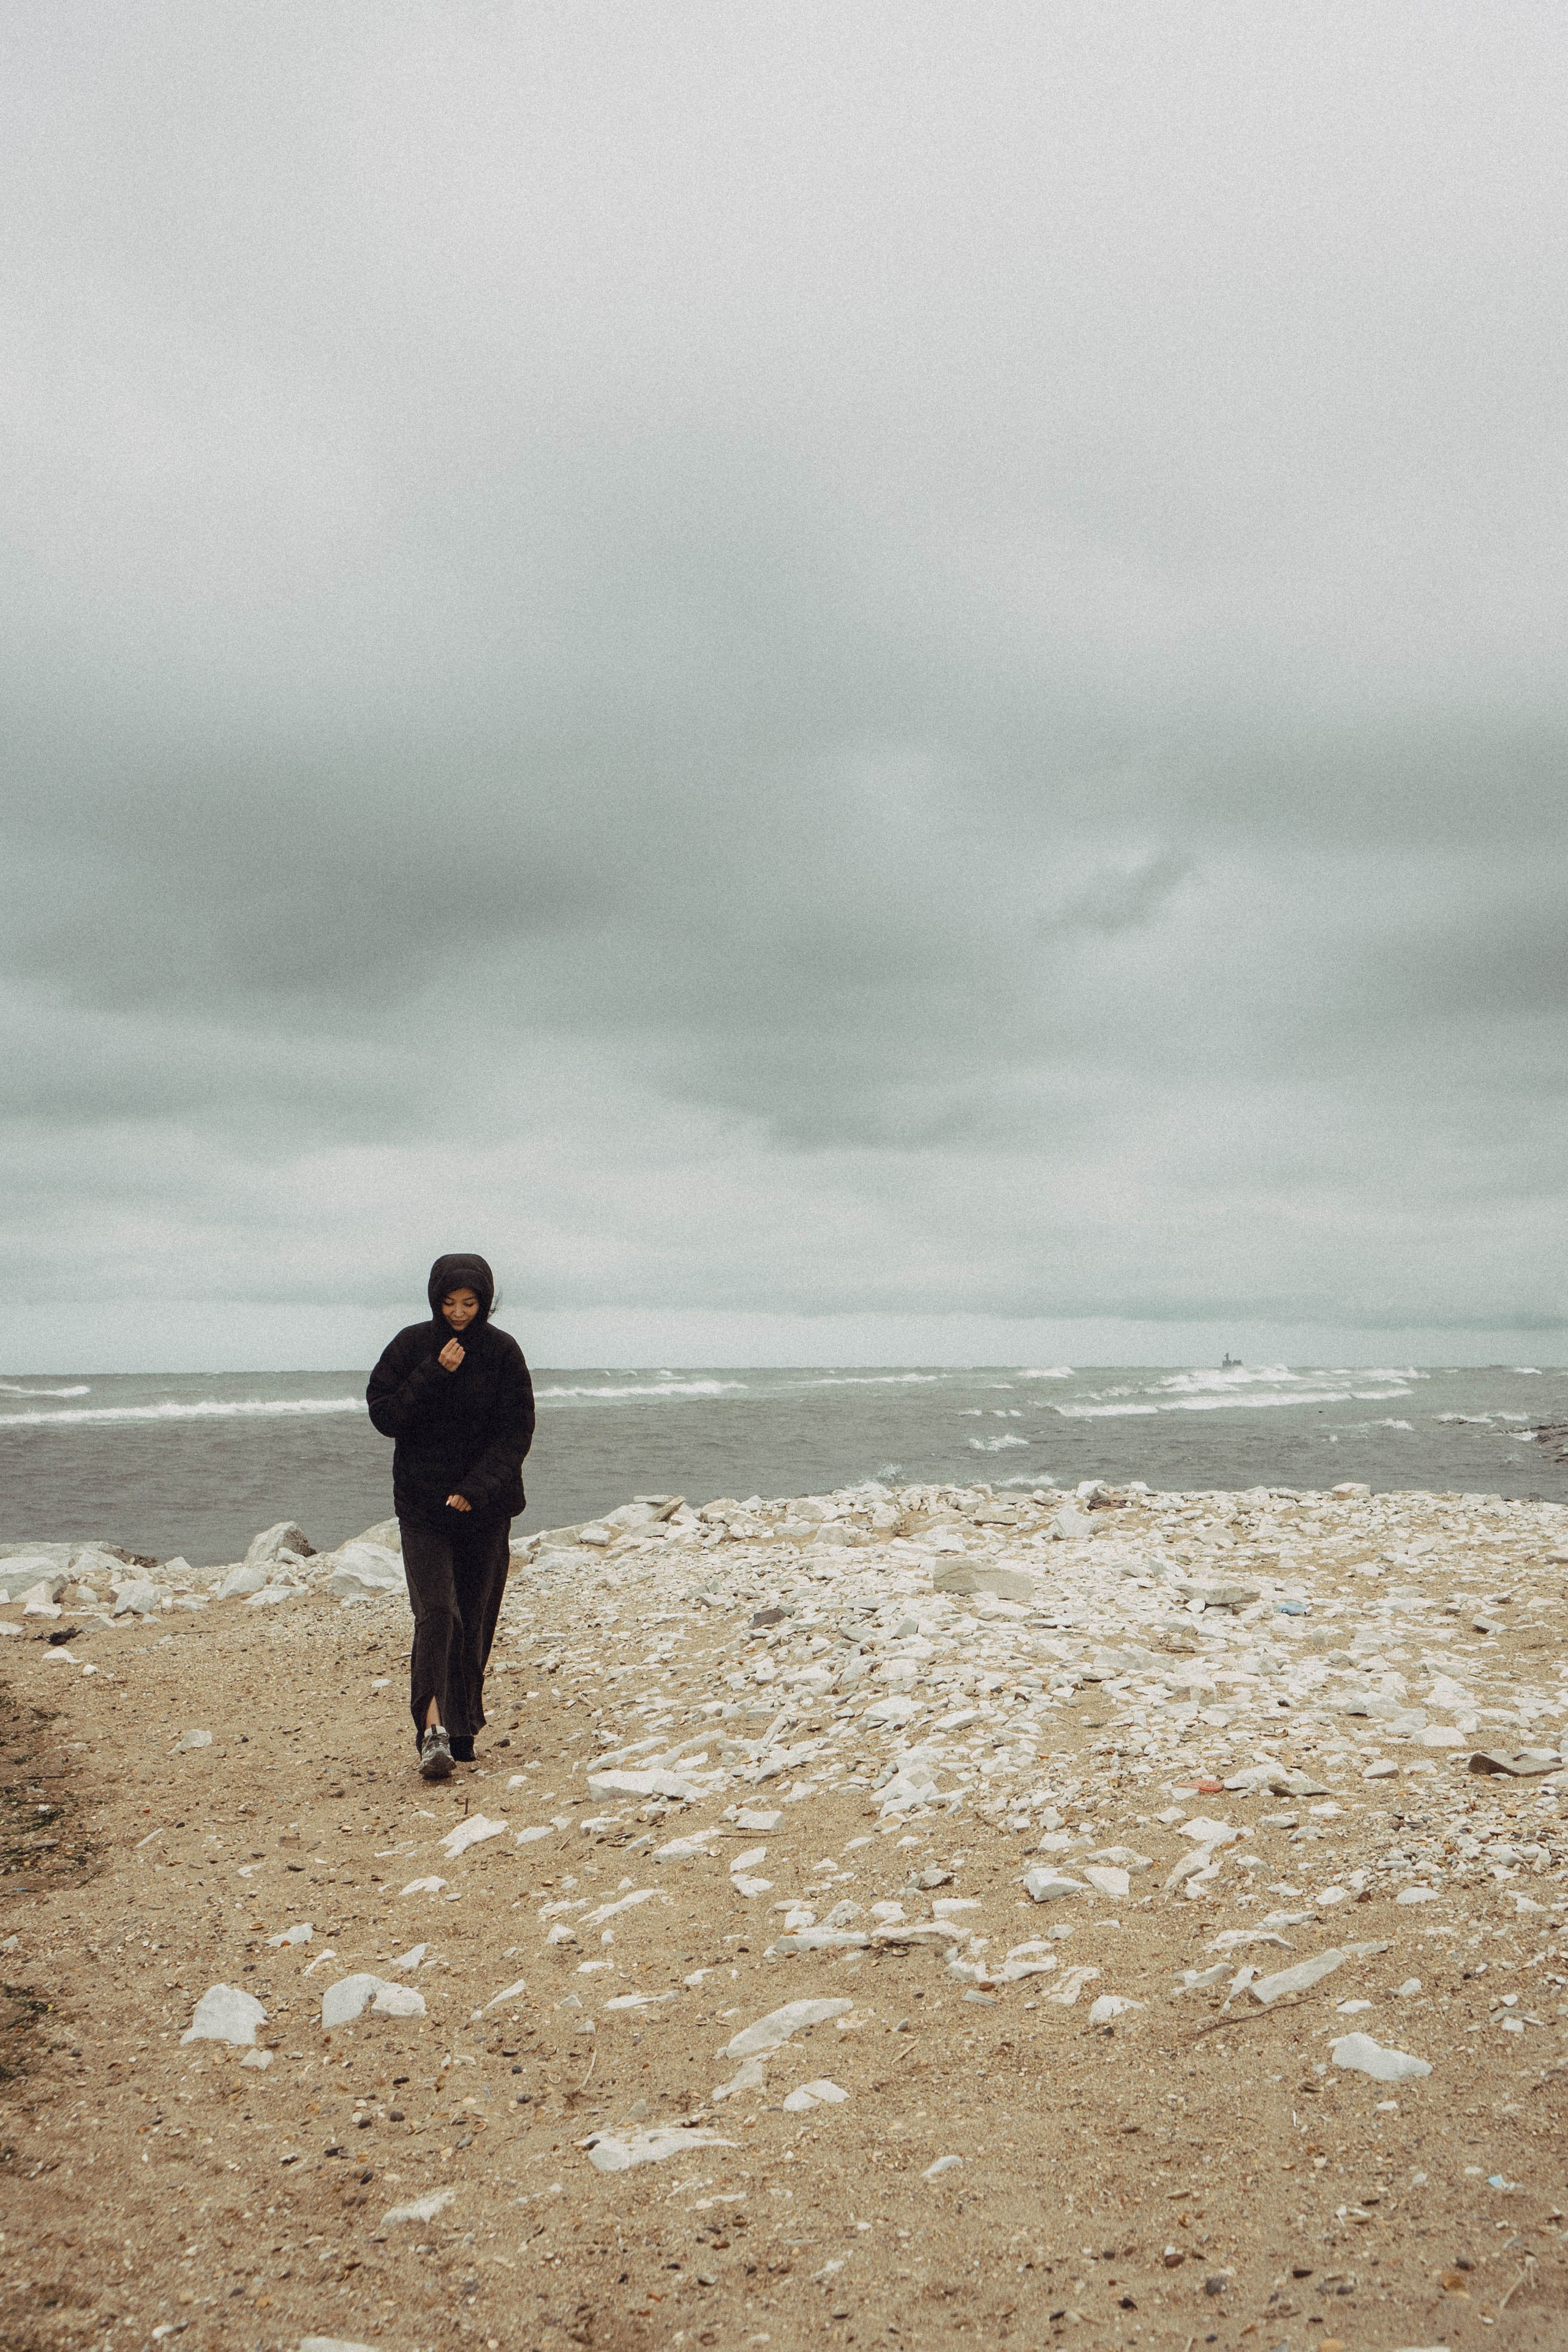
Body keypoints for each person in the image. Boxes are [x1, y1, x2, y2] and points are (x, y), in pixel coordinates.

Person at [366, 1253, 535, 1780]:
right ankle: (432, 1731)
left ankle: (462, 1729)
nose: (459, 1312)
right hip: (421, 1508)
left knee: (475, 1620)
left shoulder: (504, 1352)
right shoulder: (412, 1345)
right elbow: (385, 1415)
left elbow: (517, 1433)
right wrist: (434, 1372)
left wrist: (474, 1490)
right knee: (438, 1613)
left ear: (485, 1301)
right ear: (435, 1300)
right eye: (449, 1302)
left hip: (485, 1510)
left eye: (470, 1303)